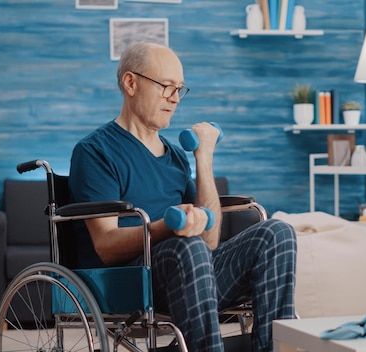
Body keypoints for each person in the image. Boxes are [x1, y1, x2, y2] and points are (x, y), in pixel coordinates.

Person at [68, 42, 297, 352]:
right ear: (130, 83)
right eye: (166, 86)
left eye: (179, 89)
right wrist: (167, 227)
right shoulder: (95, 151)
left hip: (194, 272)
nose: (175, 99)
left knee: (278, 232)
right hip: (134, 281)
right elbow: (106, 245)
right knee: (186, 245)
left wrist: (203, 158)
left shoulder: (176, 157)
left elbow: (210, 240)